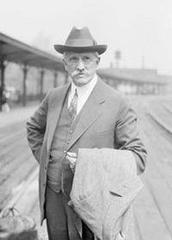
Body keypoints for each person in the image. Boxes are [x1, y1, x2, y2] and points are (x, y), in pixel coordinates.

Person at [26, 26, 147, 240]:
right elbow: (33, 127)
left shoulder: (116, 102)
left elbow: (138, 156)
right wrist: (47, 161)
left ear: (97, 62)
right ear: (64, 63)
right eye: (73, 59)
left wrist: (90, 163)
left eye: (87, 59)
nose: (80, 66)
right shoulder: (54, 97)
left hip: (93, 201)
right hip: (53, 198)